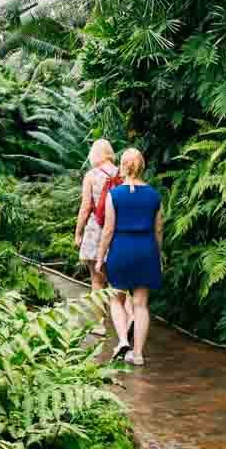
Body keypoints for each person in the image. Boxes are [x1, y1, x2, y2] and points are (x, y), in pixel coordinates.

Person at [96, 148, 162, 366]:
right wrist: (158, 255)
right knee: (141, 304)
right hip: (146, 250)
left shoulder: (115, 195)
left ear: (123, 166)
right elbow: (158, 231)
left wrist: (99, 257)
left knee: (116, 298)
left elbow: (108, 230)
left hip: (121, 249)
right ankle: (138, 354)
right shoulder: (155, 196)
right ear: (142, 167)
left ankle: (123, 339)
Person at [74, 139, 129, 336]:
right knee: (119, 281)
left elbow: (86, 207)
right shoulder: (123, 174)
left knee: (97, 280)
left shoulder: (91, 176)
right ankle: (122, 322)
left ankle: (99, 324)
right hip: (119, 231)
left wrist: (78, 232)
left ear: (95, 155)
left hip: (96, 231)